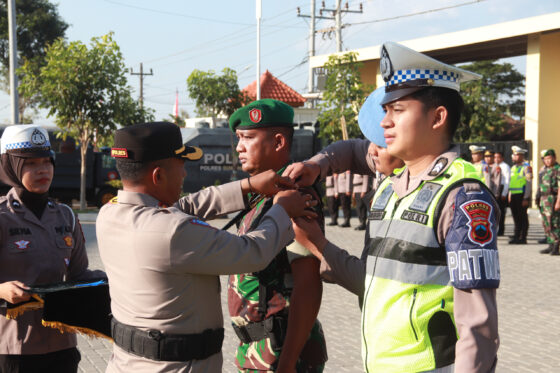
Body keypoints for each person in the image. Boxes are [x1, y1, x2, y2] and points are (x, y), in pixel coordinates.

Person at [285, 42, 500, 372]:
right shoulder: (393, 183)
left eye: (397, 111)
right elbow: (355, 151)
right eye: (385, 112)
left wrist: (320, 246)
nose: (384, 124)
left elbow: (478, 326)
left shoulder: (461, 195)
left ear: (438, 117)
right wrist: (318, 163)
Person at [96, 122, 317, 373]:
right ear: (158, 175)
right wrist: (282, 210)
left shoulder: (110, 214)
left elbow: (188, 205)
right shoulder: (173, 231)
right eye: (181, 167)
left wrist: (249, 186)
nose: (185, 175)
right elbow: (252, 252)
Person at [227, 99, 328, 372]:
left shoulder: (295, 196)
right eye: (238, 138)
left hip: (281, 352)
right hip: (257, 350)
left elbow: (308, 283)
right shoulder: (263, 194)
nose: (239, 147)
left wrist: (288, 362)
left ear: (279, 142)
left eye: (247, 138)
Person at [0, 124, 103, 373]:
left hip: (62, 348)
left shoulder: (65, 216)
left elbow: (80, 275)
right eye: (31, 163)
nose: (42, 170)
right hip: (13, 351)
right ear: (10, 166)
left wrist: (113, 281)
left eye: (47, 161)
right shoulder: (2, 216)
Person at [537, 149, 560, 255]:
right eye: (545, 159)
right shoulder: (545, 170)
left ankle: (557, 246)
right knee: (546, 223)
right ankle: (550, 244)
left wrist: (558, 202)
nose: (547, 161)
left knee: (554, 223)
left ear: (554, 158)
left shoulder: (557, 169)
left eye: (549, 158)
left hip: (553, 199)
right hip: (544, 199)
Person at [509, 145, 532, 244]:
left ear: (522, 156)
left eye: (517, 155)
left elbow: (529, 183)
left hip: (522, 195)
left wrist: (526, 197)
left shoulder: (526, 167)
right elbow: (511, 182)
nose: (515, 157)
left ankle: (523, 237)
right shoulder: (513, 167)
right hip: (514, 195)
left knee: (522, 217)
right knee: (515, 217)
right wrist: (510, 194)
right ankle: (516, 236)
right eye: (514, 155)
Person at [494, 151, 510, 236]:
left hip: (502, 188)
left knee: (501, 211)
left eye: (498, 157)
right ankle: (497, 229)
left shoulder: (505, 166)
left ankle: (501, 230)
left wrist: (504, 193)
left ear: (502, 158)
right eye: (495, 157)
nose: (496, 159)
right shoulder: (495, 166)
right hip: (496, 189)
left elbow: (507, 180)